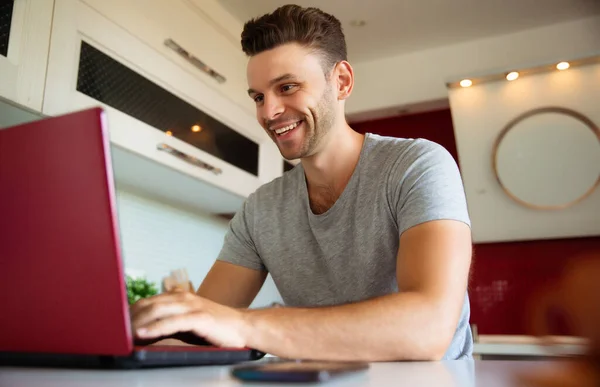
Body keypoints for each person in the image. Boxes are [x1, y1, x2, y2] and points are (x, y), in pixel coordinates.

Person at [131, 4, 473, 361]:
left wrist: (246, 325)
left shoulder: (416, 166)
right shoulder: (260, 210)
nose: (268, 112)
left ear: (341, 81)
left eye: (288, 87)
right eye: (259, 97)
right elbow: (201, 327)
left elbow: (429, 328)